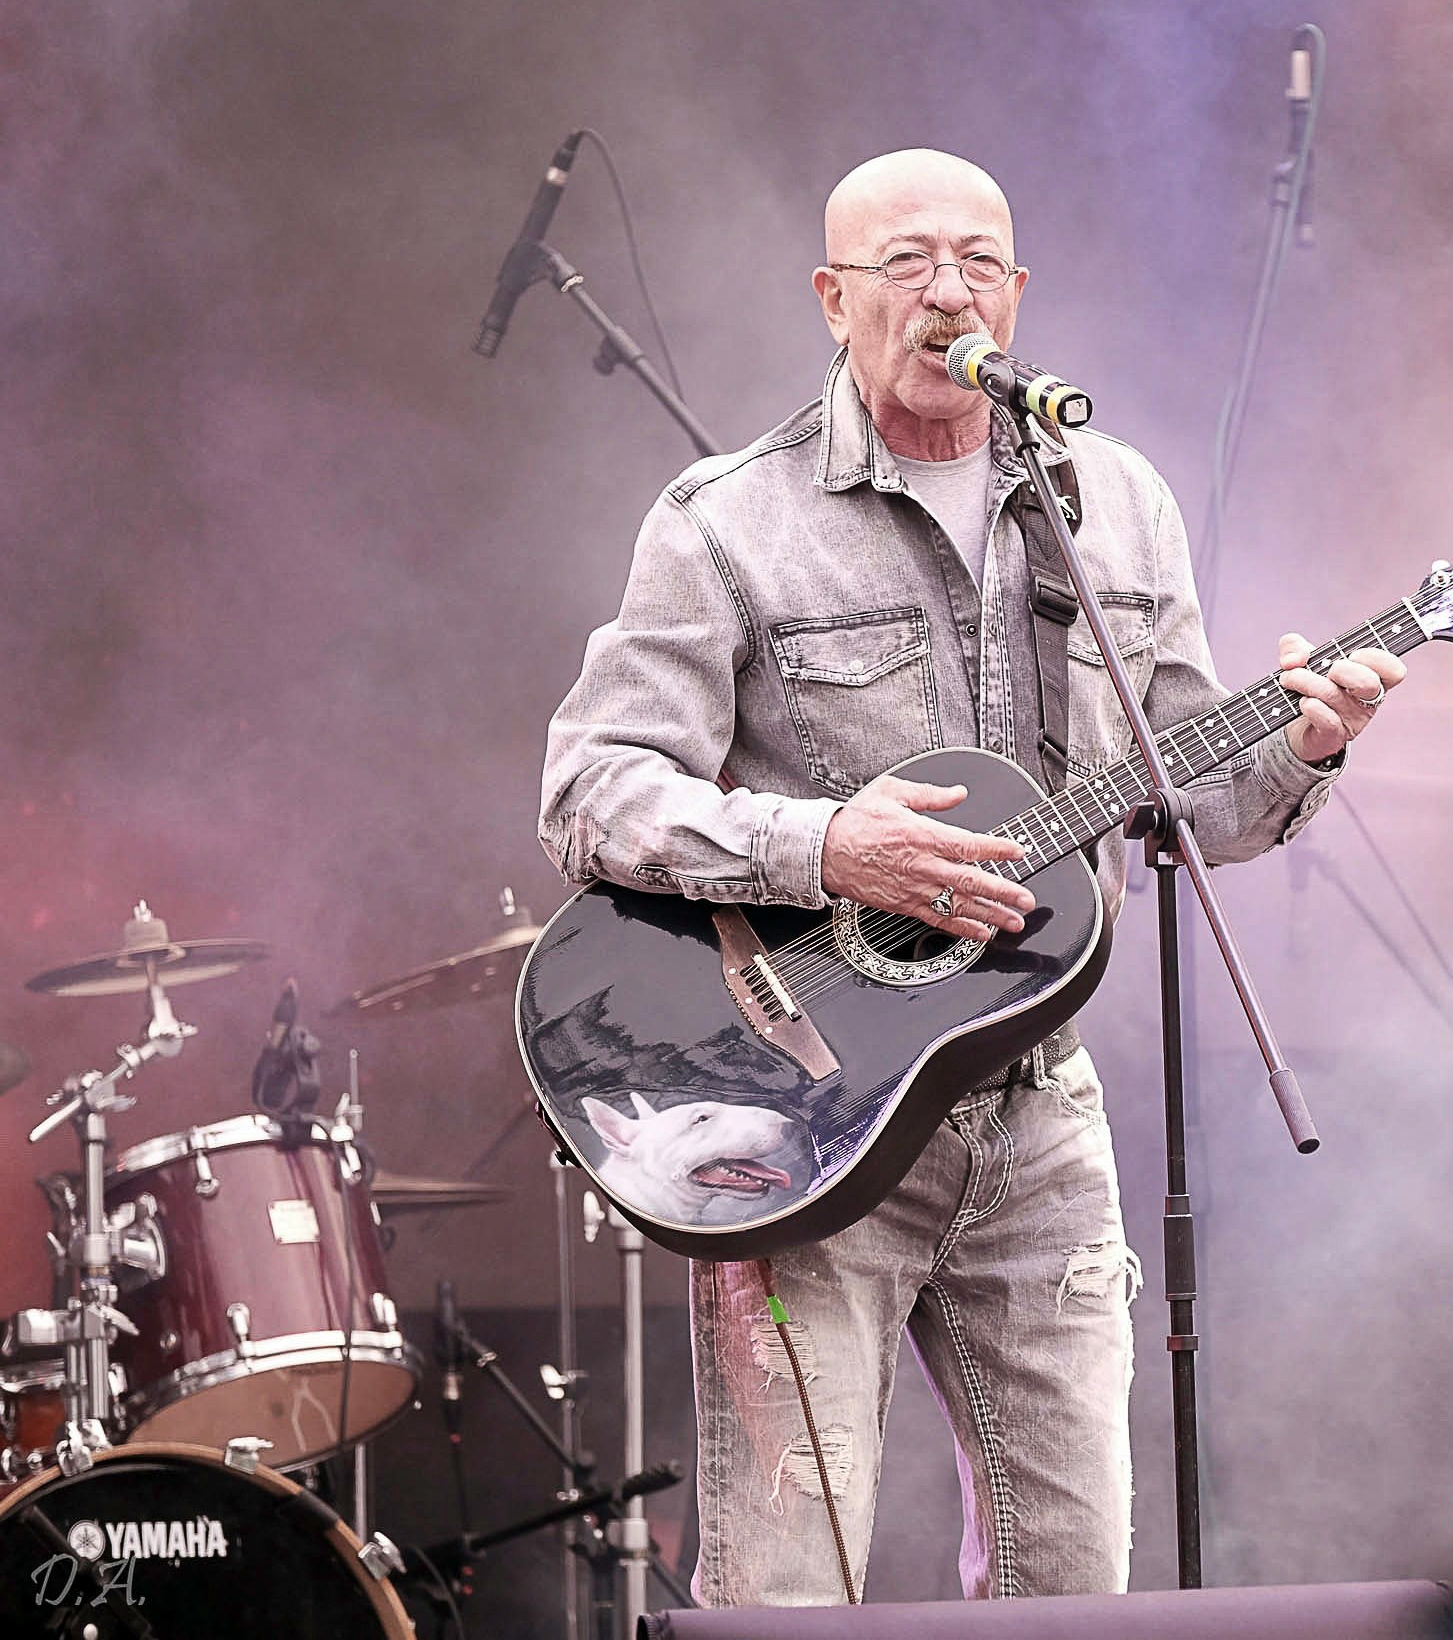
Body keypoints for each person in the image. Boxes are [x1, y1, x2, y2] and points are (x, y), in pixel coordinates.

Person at [537, 148, 1403, 1604]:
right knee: (787, 1588)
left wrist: (1307, 749)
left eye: (979, 261)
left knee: (1076, 1584)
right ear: (832, 299)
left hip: (1037, 1112)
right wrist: (825, 846)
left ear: (1019, 292)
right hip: (799, 1119)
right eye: (907, 262)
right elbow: (590, 789)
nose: (949, 291)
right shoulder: (724, 522)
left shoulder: (1110, 501)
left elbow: (1195, 793)